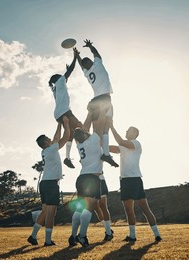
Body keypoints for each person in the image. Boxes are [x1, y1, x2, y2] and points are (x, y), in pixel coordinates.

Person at [109, 121, 162, 242]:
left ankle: (157, 234)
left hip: (135, 180)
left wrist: (111, 126)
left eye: (129, 130)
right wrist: (99, 143)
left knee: (144, 208)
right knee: (129, 210)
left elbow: (121, 142)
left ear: (135, 133)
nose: (126, 131)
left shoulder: (136, 143)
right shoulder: (123, 147)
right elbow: (112, 148)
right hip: (125, 180)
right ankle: (132, 236)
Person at [27, 116, 70, 246]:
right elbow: (65, 138)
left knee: (45, 211)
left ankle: (33, 236)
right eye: (48, 139)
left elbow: (56, 138)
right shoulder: (51, 149)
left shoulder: (46, 150)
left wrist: (58, 125)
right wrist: (66, 125)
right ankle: (48, 241)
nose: (51, 139)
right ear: (46, 142)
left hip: (45, 183)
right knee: (51, 213)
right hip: (51, 184)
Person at [75, 39, 118, 168]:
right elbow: (97, 55)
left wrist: (77, 56)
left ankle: (100, 153)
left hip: (95, 100)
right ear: (91, 62)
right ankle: (102, 153)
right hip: (104, 99)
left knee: (101, 128)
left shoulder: (87, 73)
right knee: (104, 127)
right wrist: (90, 46)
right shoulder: (97, 65)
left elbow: (81, 65)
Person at [68, 110, 104, 247]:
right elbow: (99, 126)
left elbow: (85, 128)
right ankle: (82, 236)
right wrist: (101, 110)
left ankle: (72, 236)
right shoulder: (93, 140)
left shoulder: (79, 144)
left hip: (81, 178)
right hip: (91, 178)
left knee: (79, 209)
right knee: (88, 208)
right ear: (84, 133)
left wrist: (90, 112)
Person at [49, 48, 82, 169]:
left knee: (71, 132)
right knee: (79, 127)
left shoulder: (55, 87)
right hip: (64, 111)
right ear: (59, 78)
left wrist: (67, 71)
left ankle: (67, 158)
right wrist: (75, 57)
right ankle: (78, 154)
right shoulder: (60, 81)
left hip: (58, 113)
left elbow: (66, 78)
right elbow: (71, 70)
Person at [94, 174, 114, 241]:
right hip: (89, 180)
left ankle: (108, 233)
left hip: (99, 179)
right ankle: (108, 229)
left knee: (103, 205)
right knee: (95, 207)